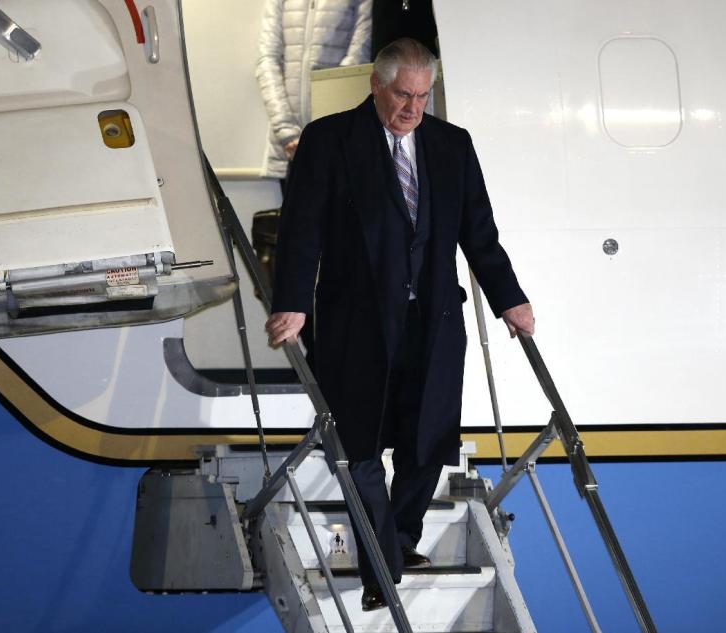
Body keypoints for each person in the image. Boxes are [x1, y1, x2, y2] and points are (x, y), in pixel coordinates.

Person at [265, 38, 534, 612]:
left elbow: (479, 235)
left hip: (433, 321)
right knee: (359, 446)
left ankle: (400, 541)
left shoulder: (451, 145)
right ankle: (380, 569)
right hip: (356, 325)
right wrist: (292, 301)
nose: (413, 108)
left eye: (422, 95)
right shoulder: (330, 140)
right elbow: (302, 230)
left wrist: (510, 300)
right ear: (376, 86)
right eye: (403, 95)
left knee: (428, 442)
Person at [255, 0, 372, 184]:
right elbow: (267, 60)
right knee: (296, 213)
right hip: (290, 149)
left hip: (337, 144)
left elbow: (357, 63)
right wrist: (287, 133)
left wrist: (324, 134)